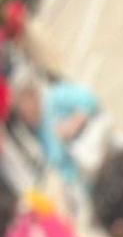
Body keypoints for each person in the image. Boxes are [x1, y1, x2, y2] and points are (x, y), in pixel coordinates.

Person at [8, 67, 111, 211]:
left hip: (101, 166)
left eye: (21, 107)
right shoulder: (37, 130)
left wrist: (73, 124)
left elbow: (89, 99)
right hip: (84, 187)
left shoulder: (54, 98)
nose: (21, 115)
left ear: (30, 95)